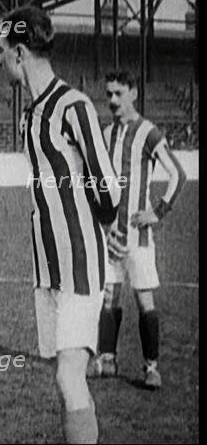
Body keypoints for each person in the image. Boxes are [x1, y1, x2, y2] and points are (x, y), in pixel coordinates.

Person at [0, 6, 121, 444]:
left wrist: (103, 229)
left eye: (2, 49)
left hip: (80, 262)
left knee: (70, 377)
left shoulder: (74, 106)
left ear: (21, 52)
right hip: (46, 265)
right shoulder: (30, 115)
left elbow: (107, 186)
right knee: (62, 377)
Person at [88, 71, 186, 389]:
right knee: (109, 298)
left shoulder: (148, 133)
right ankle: (107, 359)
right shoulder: (104, 134)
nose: (113, 101)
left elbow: (177, 175)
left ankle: (151, 367)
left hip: (138, 236)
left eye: (118, 93)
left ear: (133, 93)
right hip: (111, 234)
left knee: (145, 299)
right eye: (108, 95)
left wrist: (157, 212)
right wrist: (102, 223)